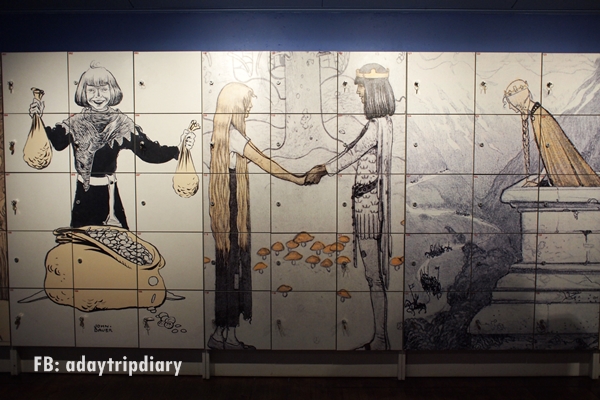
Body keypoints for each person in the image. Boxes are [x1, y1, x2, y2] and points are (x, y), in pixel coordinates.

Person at [28, 63, 195, 229]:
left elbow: (149, 152)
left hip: (109, 196)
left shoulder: (121, 124)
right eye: (91, 90)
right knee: (81, 242)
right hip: (83, 197)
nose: (98, 96)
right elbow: (57, 143)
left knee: (116, 242)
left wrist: (179, 149)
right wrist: (38, 119)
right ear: (83, 92)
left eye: (103, 89)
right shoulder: (75, 123)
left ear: (112, 91)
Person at [208, 82, 307, 350]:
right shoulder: (234, 136)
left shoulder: (219, 134)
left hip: (225, 208)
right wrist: (298, 179)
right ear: (235, 104)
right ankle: (226, 337)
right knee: (233, 269)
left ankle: (221, 334)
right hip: (232, 209)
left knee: (226, 269)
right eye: (247, 101)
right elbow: (265, 162)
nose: (250, 106)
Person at [306, 63, 395, 350]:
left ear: (374, 90)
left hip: (369, 209)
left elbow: (352, 153)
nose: (358, 92)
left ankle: (380, 339)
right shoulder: (383, 124)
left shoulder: (376, 126)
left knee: (373, 277)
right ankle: (380, 338)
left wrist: (323, 169)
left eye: (361, 87)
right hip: (369, 205)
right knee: (374, 277)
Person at [503, 79, 600, 187]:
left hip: (565, 181)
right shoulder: (538, 114)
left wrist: (538, 180)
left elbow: (552, 155)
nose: (511, 107)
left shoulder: (540, 118)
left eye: (512, 104)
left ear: (519, 102)